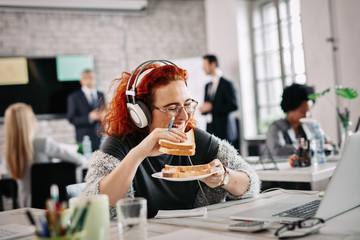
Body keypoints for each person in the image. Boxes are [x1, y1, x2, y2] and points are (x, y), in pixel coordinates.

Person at [82, 60, 260, 218]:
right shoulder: (120, 144)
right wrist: (138, 153)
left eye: (188, 104)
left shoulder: (197, 139)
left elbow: (251, 184)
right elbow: (97, 204)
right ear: (141, 113)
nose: (184, 116)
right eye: (172, 107)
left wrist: (224, 178)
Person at [4, 103, 86, 207]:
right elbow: (81, 160)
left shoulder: (9, 152)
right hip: (50, 205)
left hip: (25, 206)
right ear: (30, 122)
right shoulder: (43, 144)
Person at [199, 54, 239, 146]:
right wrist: (203, 109)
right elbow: (207, 106)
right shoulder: (207, 85)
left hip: (225, 131)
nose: (203, 68)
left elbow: (234, 105)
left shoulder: (227, 84)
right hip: (211, 130)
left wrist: (212, 107)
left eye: (205, 64)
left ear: (213, 64)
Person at [266, 83, 316, 156]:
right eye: (302, 111)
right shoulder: (276, 127)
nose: (306, 115)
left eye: (308, 111)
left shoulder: (309, 125)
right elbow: (277, 150)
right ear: (290, 110)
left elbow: (325, 142)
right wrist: (307, 149)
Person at [67, 69, 105, 151]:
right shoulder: (74, 97)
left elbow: (105, 111)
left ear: (95, 79)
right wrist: (89, 117)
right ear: (81, 81)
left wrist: (104, 116)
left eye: (91, 78)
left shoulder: (100, 95)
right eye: (86, 78)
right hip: (84, 138)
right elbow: (71, 118)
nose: (89, 80)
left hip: (101, 137)